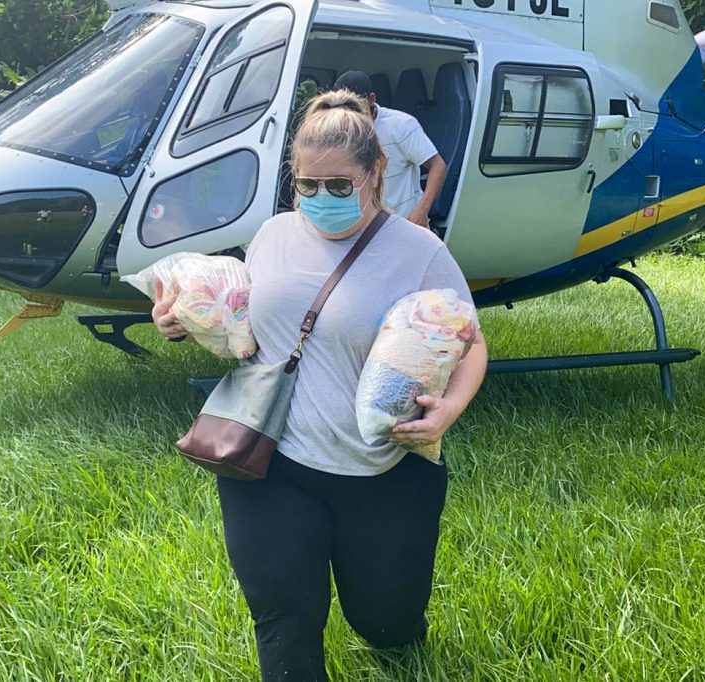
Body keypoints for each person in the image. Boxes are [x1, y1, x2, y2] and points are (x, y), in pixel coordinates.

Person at [151, 90, 487, 681]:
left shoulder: (419, 251)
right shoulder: (274, 235)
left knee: (387, 620)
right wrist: (181, 321)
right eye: (308, 186)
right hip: (271, 463)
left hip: (384, 470)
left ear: (375, 173)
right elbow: (243, 323)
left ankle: (401, 640)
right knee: (284, 620)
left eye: (338, 186)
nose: (320, 199)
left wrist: (448, 411)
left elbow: (471, 340)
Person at [333, 70, 447, 228]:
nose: (349, 116)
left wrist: (422, 211)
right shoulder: (336, 128)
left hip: (402, 221)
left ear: (371, 99)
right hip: (359, 223)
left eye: (355, 108)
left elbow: (438, 166)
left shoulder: (401, 125)